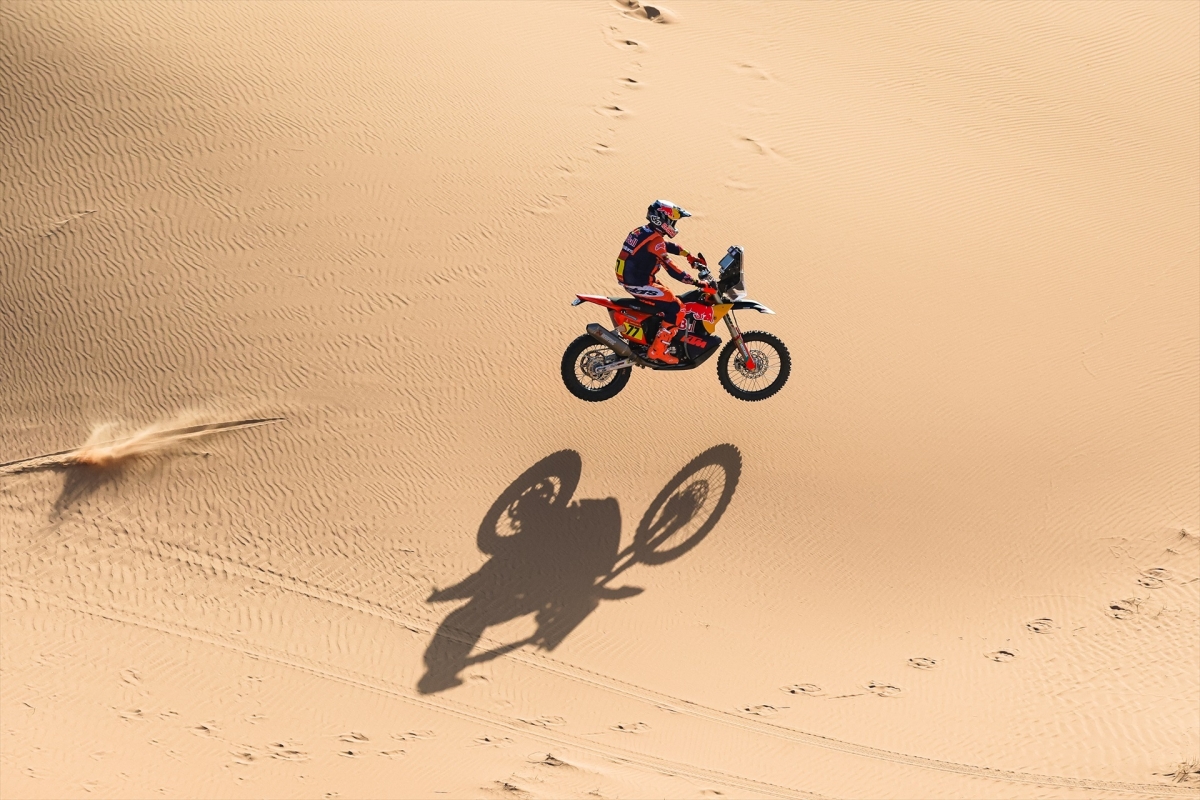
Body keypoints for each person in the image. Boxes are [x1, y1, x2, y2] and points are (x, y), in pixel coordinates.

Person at [615, 199, 707, 365]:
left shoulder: (643, 231)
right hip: (638, 284)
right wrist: (696, 282)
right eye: (672, 221)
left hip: (634, 279)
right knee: (677, 307)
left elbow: (667, 246)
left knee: (667, 299)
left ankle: (652, 335)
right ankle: (658, 350)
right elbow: (671, 268)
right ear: (661, 220)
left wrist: (688, 255)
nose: (673, 225)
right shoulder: (655, 241)